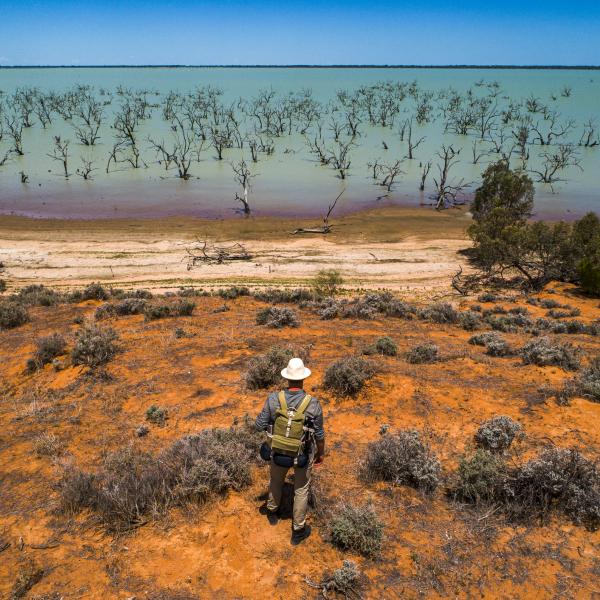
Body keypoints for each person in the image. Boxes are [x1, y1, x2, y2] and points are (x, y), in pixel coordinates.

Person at [255, 357, 325, 544]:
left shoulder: (273, 399)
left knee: (276, 480)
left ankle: (272, 512)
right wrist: (320, 453)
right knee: (301, 489)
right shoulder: (313, 403)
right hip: (302, 454)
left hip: (277, 451)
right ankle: (298, 531)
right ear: (303, 379)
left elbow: (259, 424)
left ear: (287, 378)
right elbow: (319, 434)